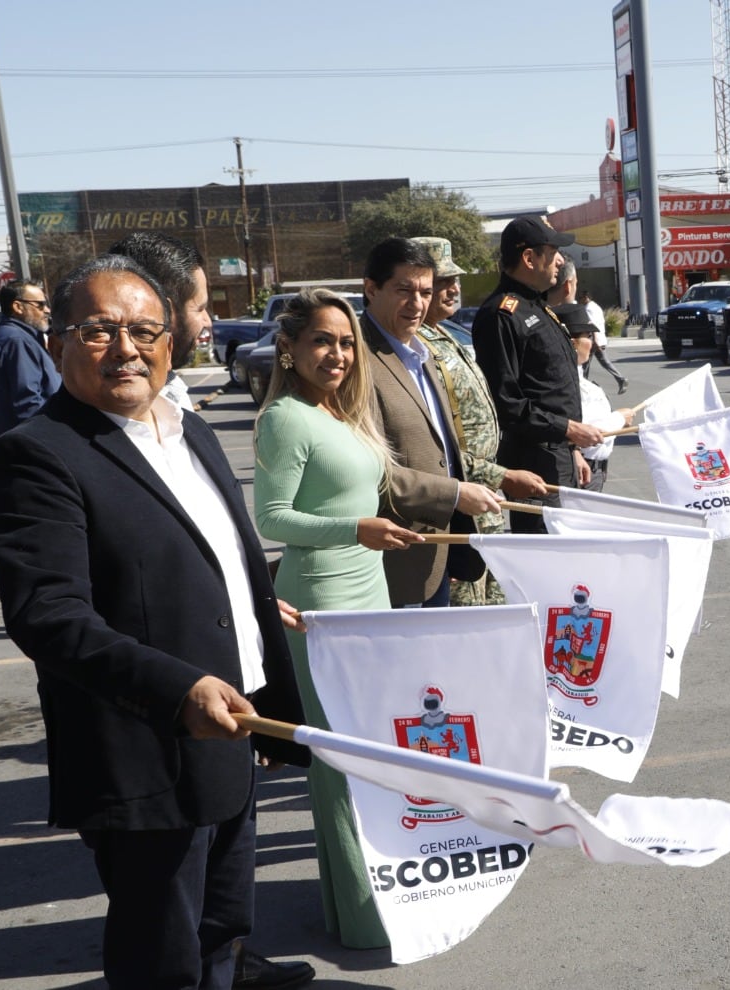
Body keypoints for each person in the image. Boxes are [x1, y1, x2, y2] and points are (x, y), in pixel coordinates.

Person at [0, 255, 311, 990]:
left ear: (172, 340)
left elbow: (203, 545)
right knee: (160, 950)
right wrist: (177, 688)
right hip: (145, 742)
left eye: (143, 329)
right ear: (57, 341)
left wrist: (250, 596)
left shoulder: (186, 429)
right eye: (99, 330)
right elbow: (49, 615)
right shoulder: (38, 455)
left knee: (224, 920)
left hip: (234, 719)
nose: (125, 347)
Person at [254, 288, 423, 950]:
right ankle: (359, 913)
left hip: (368, 596)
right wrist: (356, 529)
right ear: (289, 348)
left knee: (371, 751)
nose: (338, 353)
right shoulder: (285, 418)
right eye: (323, 340)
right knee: (340, 760)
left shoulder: (340, 413)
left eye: (347, 341)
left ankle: (371, 894)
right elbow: (272, 519)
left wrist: (371, 534)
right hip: (321, 606)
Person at [358, 237, 501, 606]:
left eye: (425, 291)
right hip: (392, 560)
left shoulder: (423, 353)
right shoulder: (356, 361)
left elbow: (441, 452)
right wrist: (453, 494)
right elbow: (367, 471)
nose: (418, 304)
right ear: (371, 289)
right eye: (404, 290)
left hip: (436, 552)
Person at [407, 236, 547, 606]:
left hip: (485, 497)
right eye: (442, 283)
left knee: (497, 607)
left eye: (455, 281)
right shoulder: (413, 349)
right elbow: (436, 445)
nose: (453, 289)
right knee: (467, 619)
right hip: (458, 504)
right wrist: (500, 476)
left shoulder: (445, 334)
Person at [472, 216, 603, 534]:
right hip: (533, 462)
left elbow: (552, 390)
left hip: (559, 455)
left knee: (568, 557)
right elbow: (506, 402)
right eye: (553, 250)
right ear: (529, 258)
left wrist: (572, 450)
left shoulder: (537, 308)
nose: (560, 260)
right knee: (547, 558)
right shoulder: (501, 315)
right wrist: (568, 429)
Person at [108, 233, 213, 413]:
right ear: (164, 312)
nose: (208, 321)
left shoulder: (170, 393)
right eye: (199, 308)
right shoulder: (119, 410)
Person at [557, 302, 634, 492]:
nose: (591, 343)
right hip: (583, 468)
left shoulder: (578, 376)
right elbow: (587, 433)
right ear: (573, 343)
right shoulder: (566, 382)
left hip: (593, 468)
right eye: (588, 336)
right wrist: (619, 418)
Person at [0, 278, 59, 446]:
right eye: (40, 305)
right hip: (30, 445)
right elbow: (28, 402)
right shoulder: (16, 340)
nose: (47, 310)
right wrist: (50, 443)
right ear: (18, 307)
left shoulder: (8, 336)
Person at [577, 283, 629, 394]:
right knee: (601, 362)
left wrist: (595, 341)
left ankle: (583, 385)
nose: (579, 300)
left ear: (586, 297)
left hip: (594, 341)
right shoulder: (596, 307)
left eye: (580, 297)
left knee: (586, 363)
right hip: (599, 339)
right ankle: (620, 379)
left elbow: (593, 325)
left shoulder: (588, 309)